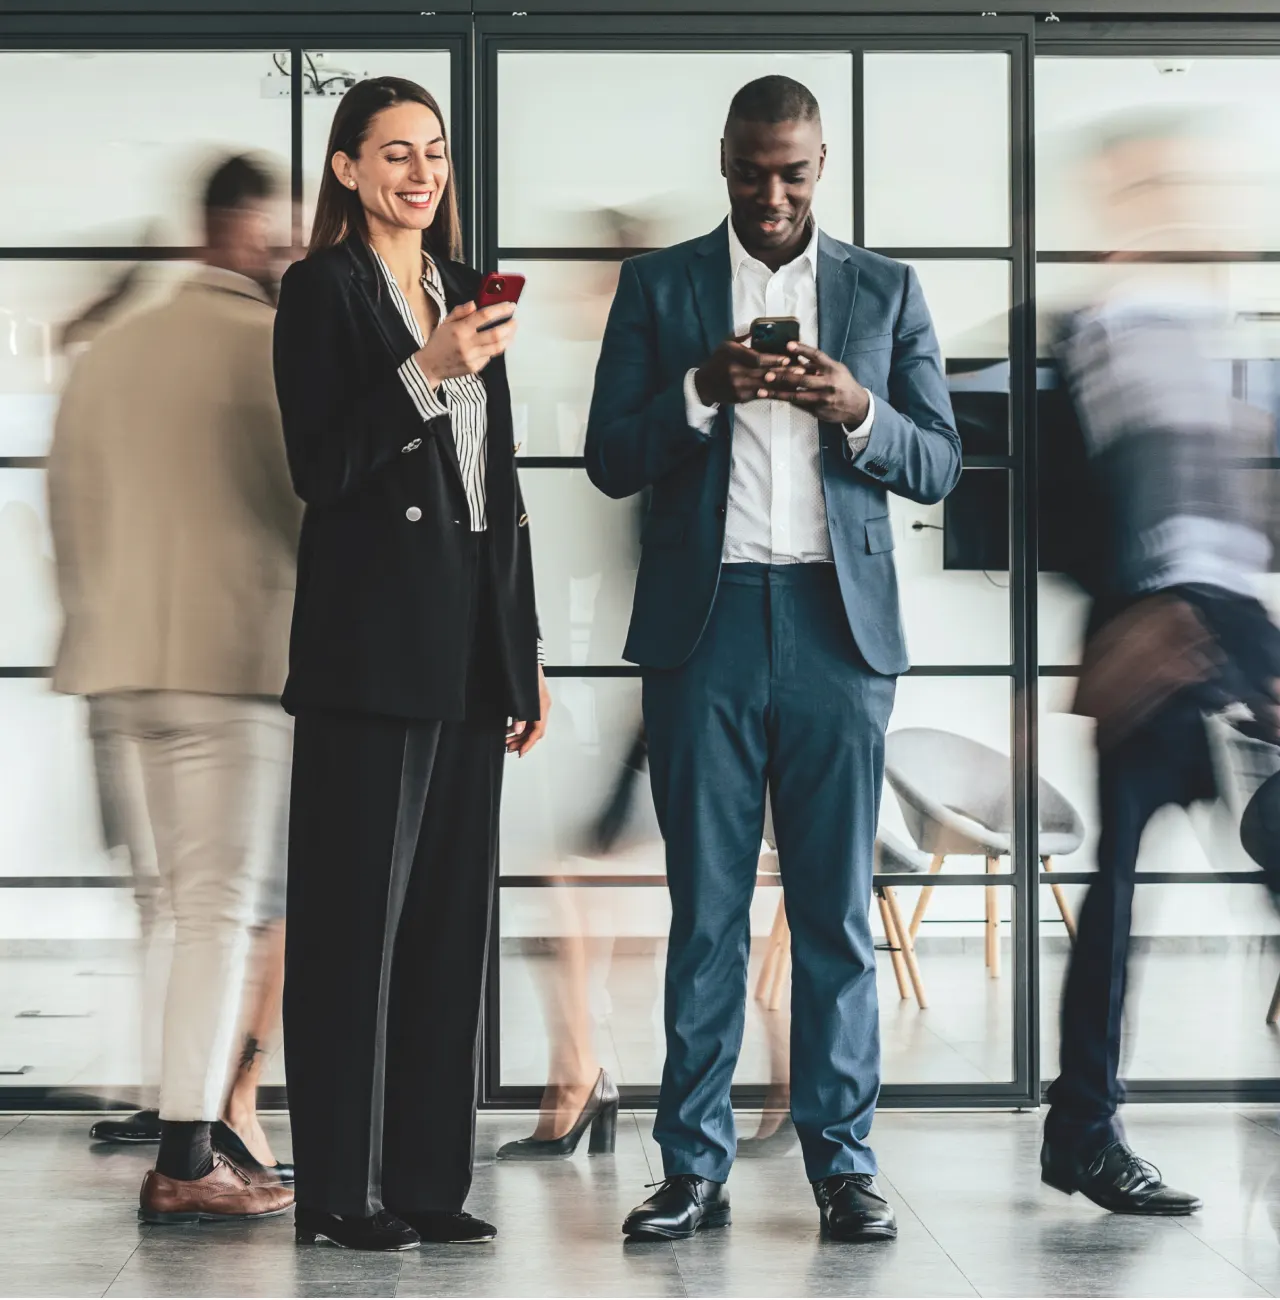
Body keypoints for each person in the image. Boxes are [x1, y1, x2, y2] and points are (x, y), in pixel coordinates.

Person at [584, 75, 960, 1243]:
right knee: (704, 913)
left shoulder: (884, 290)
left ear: (820, 163)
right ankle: (690, 1168)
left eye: (792, 172)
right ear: (723, 159)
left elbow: (939, 461)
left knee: (833, 913)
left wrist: (854, 407)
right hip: (701, 633)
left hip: (836, 634)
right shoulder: (658, 287)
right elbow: (607, 456)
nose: (771, 194)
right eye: (751, 171)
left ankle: (842, 1165)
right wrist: (701, 390)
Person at [275, 75, 550, 1253]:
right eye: (394, 153)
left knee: (445, 929)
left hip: (468, 650)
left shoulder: (463, 287)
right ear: (346, 168)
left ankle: (429, 1182)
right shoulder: (321, 290)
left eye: (432, 152)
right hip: (368, 655)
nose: (421, 173)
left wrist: (522, 653)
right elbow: (319, 467)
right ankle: (342, 1190)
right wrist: (425, 368)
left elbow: (498, 490)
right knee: (352, 929)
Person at [47, 153, 300, 1223]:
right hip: (226, 670)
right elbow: (310, 505)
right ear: (239, 231)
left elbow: (67, 513)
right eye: (279, 238)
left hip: (113, 672)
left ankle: (192, 1131)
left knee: (165, 911)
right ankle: (189, 1155)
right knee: (215, 913)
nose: (287, 256)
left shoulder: (111, 349)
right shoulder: (268, 347)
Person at [1042, 109, 1280, 1216]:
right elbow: (1064, 519)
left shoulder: (1219, 340)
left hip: (1237, 627)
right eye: (1150, 188)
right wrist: (1144, 616)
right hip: (1145, 635)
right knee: (1120, 896)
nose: (1178, 207)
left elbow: (1242, 509)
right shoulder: (1086, 336)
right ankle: (1083, 1133)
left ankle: (1079, 1129)